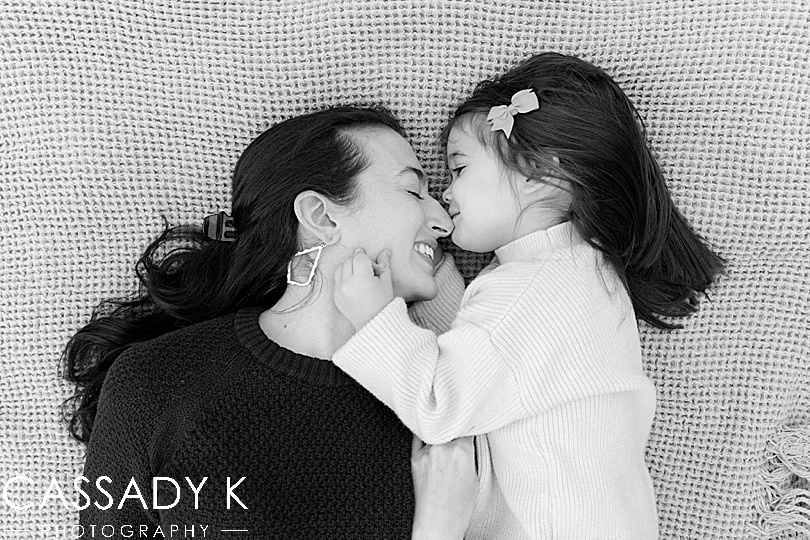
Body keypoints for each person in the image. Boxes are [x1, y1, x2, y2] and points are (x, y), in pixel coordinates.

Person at [331, 52, 727, 539]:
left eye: (459, 170)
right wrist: (437, 274)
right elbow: (489, 357)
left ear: (540, 173)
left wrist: (374, 319)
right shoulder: (575, 274)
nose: (446, 197)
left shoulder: (538, 286)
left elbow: (439, 402)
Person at [61, 106, 479, 539]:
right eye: (414, 191)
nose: (443, 222)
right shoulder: (153, 381)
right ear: (321, 216)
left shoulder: (444, 399)